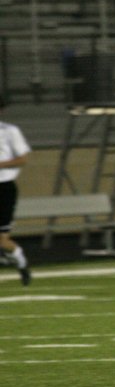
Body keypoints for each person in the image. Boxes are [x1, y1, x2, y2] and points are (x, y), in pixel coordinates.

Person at [0, 95, 31, 286]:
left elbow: (23, 159)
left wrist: (1, 164)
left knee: (2, 241)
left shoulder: (10, 131)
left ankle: (19, 259)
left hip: (4, 189)